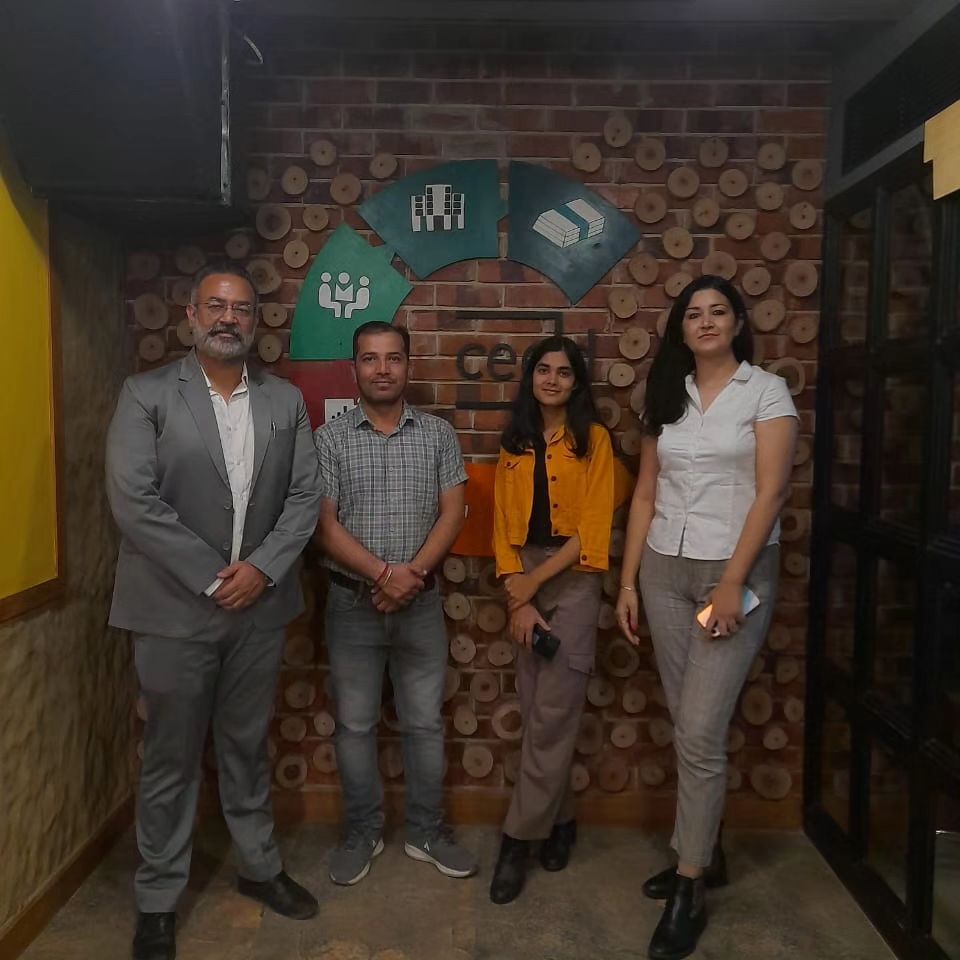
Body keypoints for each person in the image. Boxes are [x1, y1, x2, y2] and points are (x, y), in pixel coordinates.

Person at [105, 263, 323, 960]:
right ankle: (158, 899)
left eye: (242, 309)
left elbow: (304, 496)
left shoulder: (285, 401)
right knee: (170, 755)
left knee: (246, 745)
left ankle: (259, 866)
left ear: (256, 322)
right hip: (172, 611)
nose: (229, 318)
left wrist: (260, 570)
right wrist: (211, 577)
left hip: (259, 609)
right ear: (191, 316)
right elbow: (133, 500)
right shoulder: (145, 395)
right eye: (216, 306)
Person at [615, 275, 798, 960]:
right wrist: (628, 581)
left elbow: (772, 492)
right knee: (687, 725)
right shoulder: (666, 393)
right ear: (681, 329)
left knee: (698, 732)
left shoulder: (765, 392)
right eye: (694, 314)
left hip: (734, 575)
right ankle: (705, 853)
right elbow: (645, 493)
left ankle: (688, 887)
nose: (706, 321)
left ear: (738, 322)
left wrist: (731, 584)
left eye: (719, 311)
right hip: (664, 571)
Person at [313, 320, 477, 887]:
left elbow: (453, 513)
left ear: (409, 365)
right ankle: (363, 832)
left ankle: (427, 832)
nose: (382, 369)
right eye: (370, 359)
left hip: (421, 605)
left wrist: (411, 578)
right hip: (352, 605)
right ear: (353, 368)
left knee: (425, 725)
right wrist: (384, 575)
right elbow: (323, 526)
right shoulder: (330, 439)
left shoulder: (438, 435)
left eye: (393, 358)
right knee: (355, 726)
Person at [488, 336, 615, 905]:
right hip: (524, 578)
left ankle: (516, 840)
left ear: (577, 383)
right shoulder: (513, 442)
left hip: (573, 579)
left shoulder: (595, 441)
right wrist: (518, 597)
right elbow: (500, 523)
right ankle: (560, 820)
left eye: (565, 372)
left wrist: (533, 585)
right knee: (539, 707)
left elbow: (593, 530)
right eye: (544, 370)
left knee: (553, 717)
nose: (553, 380)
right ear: (531, 377)